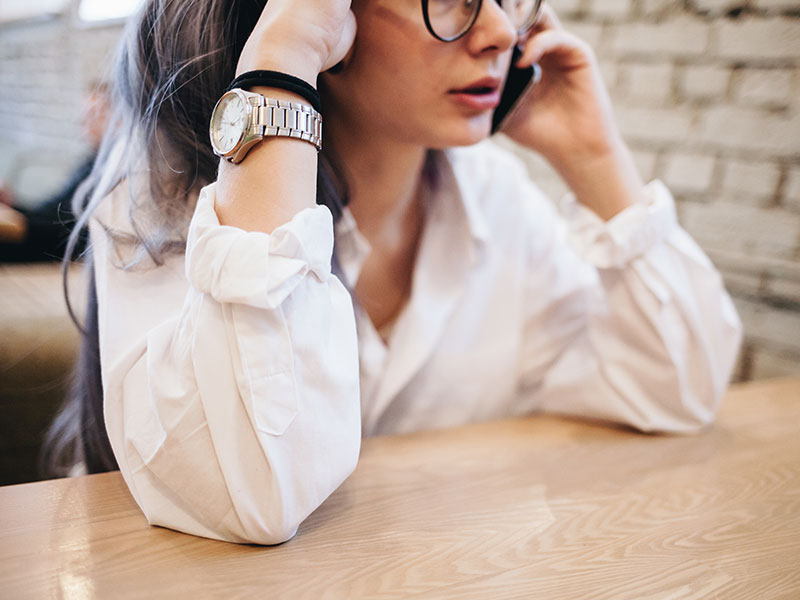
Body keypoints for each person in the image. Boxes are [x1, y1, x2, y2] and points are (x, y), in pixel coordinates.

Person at [46, 0, 741, 544]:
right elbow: (251, 500)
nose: (501, 32)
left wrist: (597, 159)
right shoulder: (165, 200)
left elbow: (680, 391)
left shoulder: (495, 198)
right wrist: (283, 58)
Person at [0, 82, 110, 262]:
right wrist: (12, 207)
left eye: (94, 114)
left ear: (120, 119)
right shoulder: (90, 161)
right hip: (41, 235)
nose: (82, 121)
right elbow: (53, 210)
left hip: (55, 246)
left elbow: (71, 229)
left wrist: (19, 222)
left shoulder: (113, 172)